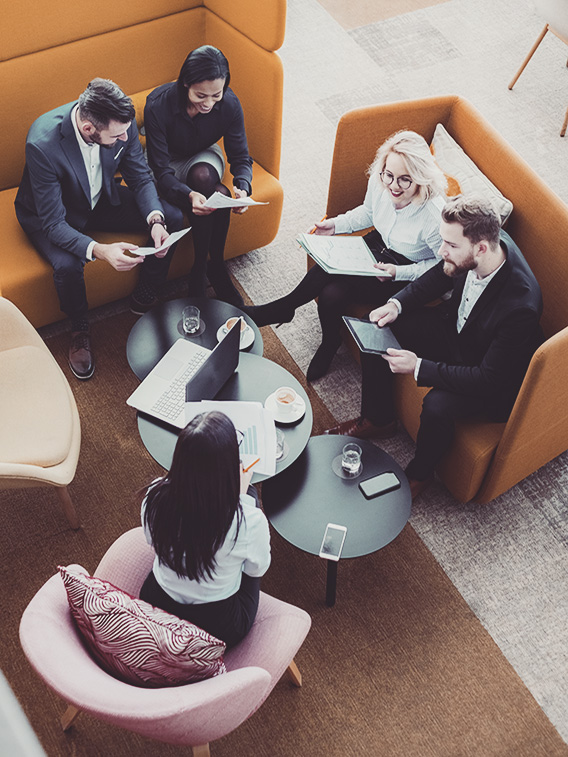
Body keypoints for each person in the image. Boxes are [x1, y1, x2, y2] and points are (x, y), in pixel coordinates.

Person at [324, 195, 543, 500]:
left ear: (480, 248)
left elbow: (488, 378)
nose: (442, 251)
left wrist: (418, 367)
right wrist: (397, 303)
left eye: (450, 246)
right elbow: (441, 273)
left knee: (438, 406)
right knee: (377, 326)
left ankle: (420, 475)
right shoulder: (484, 242)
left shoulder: (520, 307)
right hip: (456, 331)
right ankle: (378, 419)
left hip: (489, 375)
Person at [242, 130, 447, 381]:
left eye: (405, 180)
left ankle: (289, 314)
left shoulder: (434, 214)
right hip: (377, 244)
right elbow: (369, 213)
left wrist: (400, 272)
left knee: (331, 290)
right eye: (389, 175)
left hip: (405, 271)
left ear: (420, 178)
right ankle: (322, 335)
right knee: (329, 282)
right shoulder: (380, 180)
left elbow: (443, 267)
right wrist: (336, 225)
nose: (393, 186)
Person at [14, 78, 184, 380]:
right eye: (117, 136)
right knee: (67, 263)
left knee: (171, 215)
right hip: (51, 216)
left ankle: (146, 291)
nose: (125, 138)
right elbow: (53, 224)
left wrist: (155, 220)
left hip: (100, 198)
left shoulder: (121, 124)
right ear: (88, 129)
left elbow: (140, 176)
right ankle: (79, 326)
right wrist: (101, 251)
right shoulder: (42, 145)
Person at [139, 411, 271, 648]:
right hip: (218, 624)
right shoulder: (248, 521)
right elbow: (257, 568)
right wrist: (242, 498)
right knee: (252, 500)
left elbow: (151, 541)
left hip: (157, 601)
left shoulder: (154, 496)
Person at [144, 45, 253, 307]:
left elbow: (240, 156)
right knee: (218, 193)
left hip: (203, 155)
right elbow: (160, 170)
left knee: (209, 181)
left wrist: (243, 188)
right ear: (185, 84)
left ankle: (206, 268)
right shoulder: (158, 104)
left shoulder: (228, 104)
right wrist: (188, 195)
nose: (208, 103)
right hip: (166, 162)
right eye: (200, 95)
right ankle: (210, 270)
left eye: (216, 95)